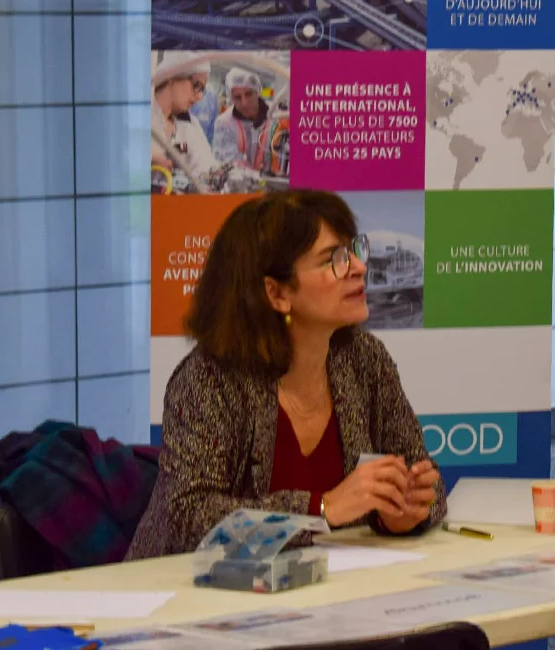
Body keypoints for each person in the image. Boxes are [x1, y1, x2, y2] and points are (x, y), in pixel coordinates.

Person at [127, 190, 445, 559]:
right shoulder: (208, 379)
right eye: (334, 260)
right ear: (276, 293)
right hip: (194, 595)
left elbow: (423, 478)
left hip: (327, 594)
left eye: (353, 250)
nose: (359, 267)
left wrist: (404, 513)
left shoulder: (365, 360)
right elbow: (191, 517)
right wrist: (321, 509)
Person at [151, 52, 221, 191]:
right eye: (196, 85)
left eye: (203, 90)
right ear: (172, 76)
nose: (200, 96)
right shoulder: (136, 115)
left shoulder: (190, 125)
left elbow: (207, 166)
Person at [212, 67, 275, 170]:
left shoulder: (277, 117)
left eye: (249, 94)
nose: (244, 103)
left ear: (257, 91)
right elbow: (230, 165)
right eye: (237, 97)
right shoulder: (224, 123)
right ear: (231, 98)